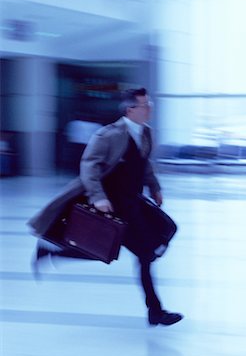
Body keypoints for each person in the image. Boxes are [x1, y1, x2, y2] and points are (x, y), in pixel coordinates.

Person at [29, 88, 183, 327]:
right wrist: (98, 197)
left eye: (149, 103)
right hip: (112, 204)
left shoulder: (146, 133)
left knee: (164, 231)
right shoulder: (109, 135)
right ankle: (155, 311)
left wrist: (154, 187)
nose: (150, 108)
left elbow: (145, 165)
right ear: (130, 110)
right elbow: (89, 166)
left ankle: (51, 253)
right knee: (113, 252)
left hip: (133, 202)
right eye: (145, 105)